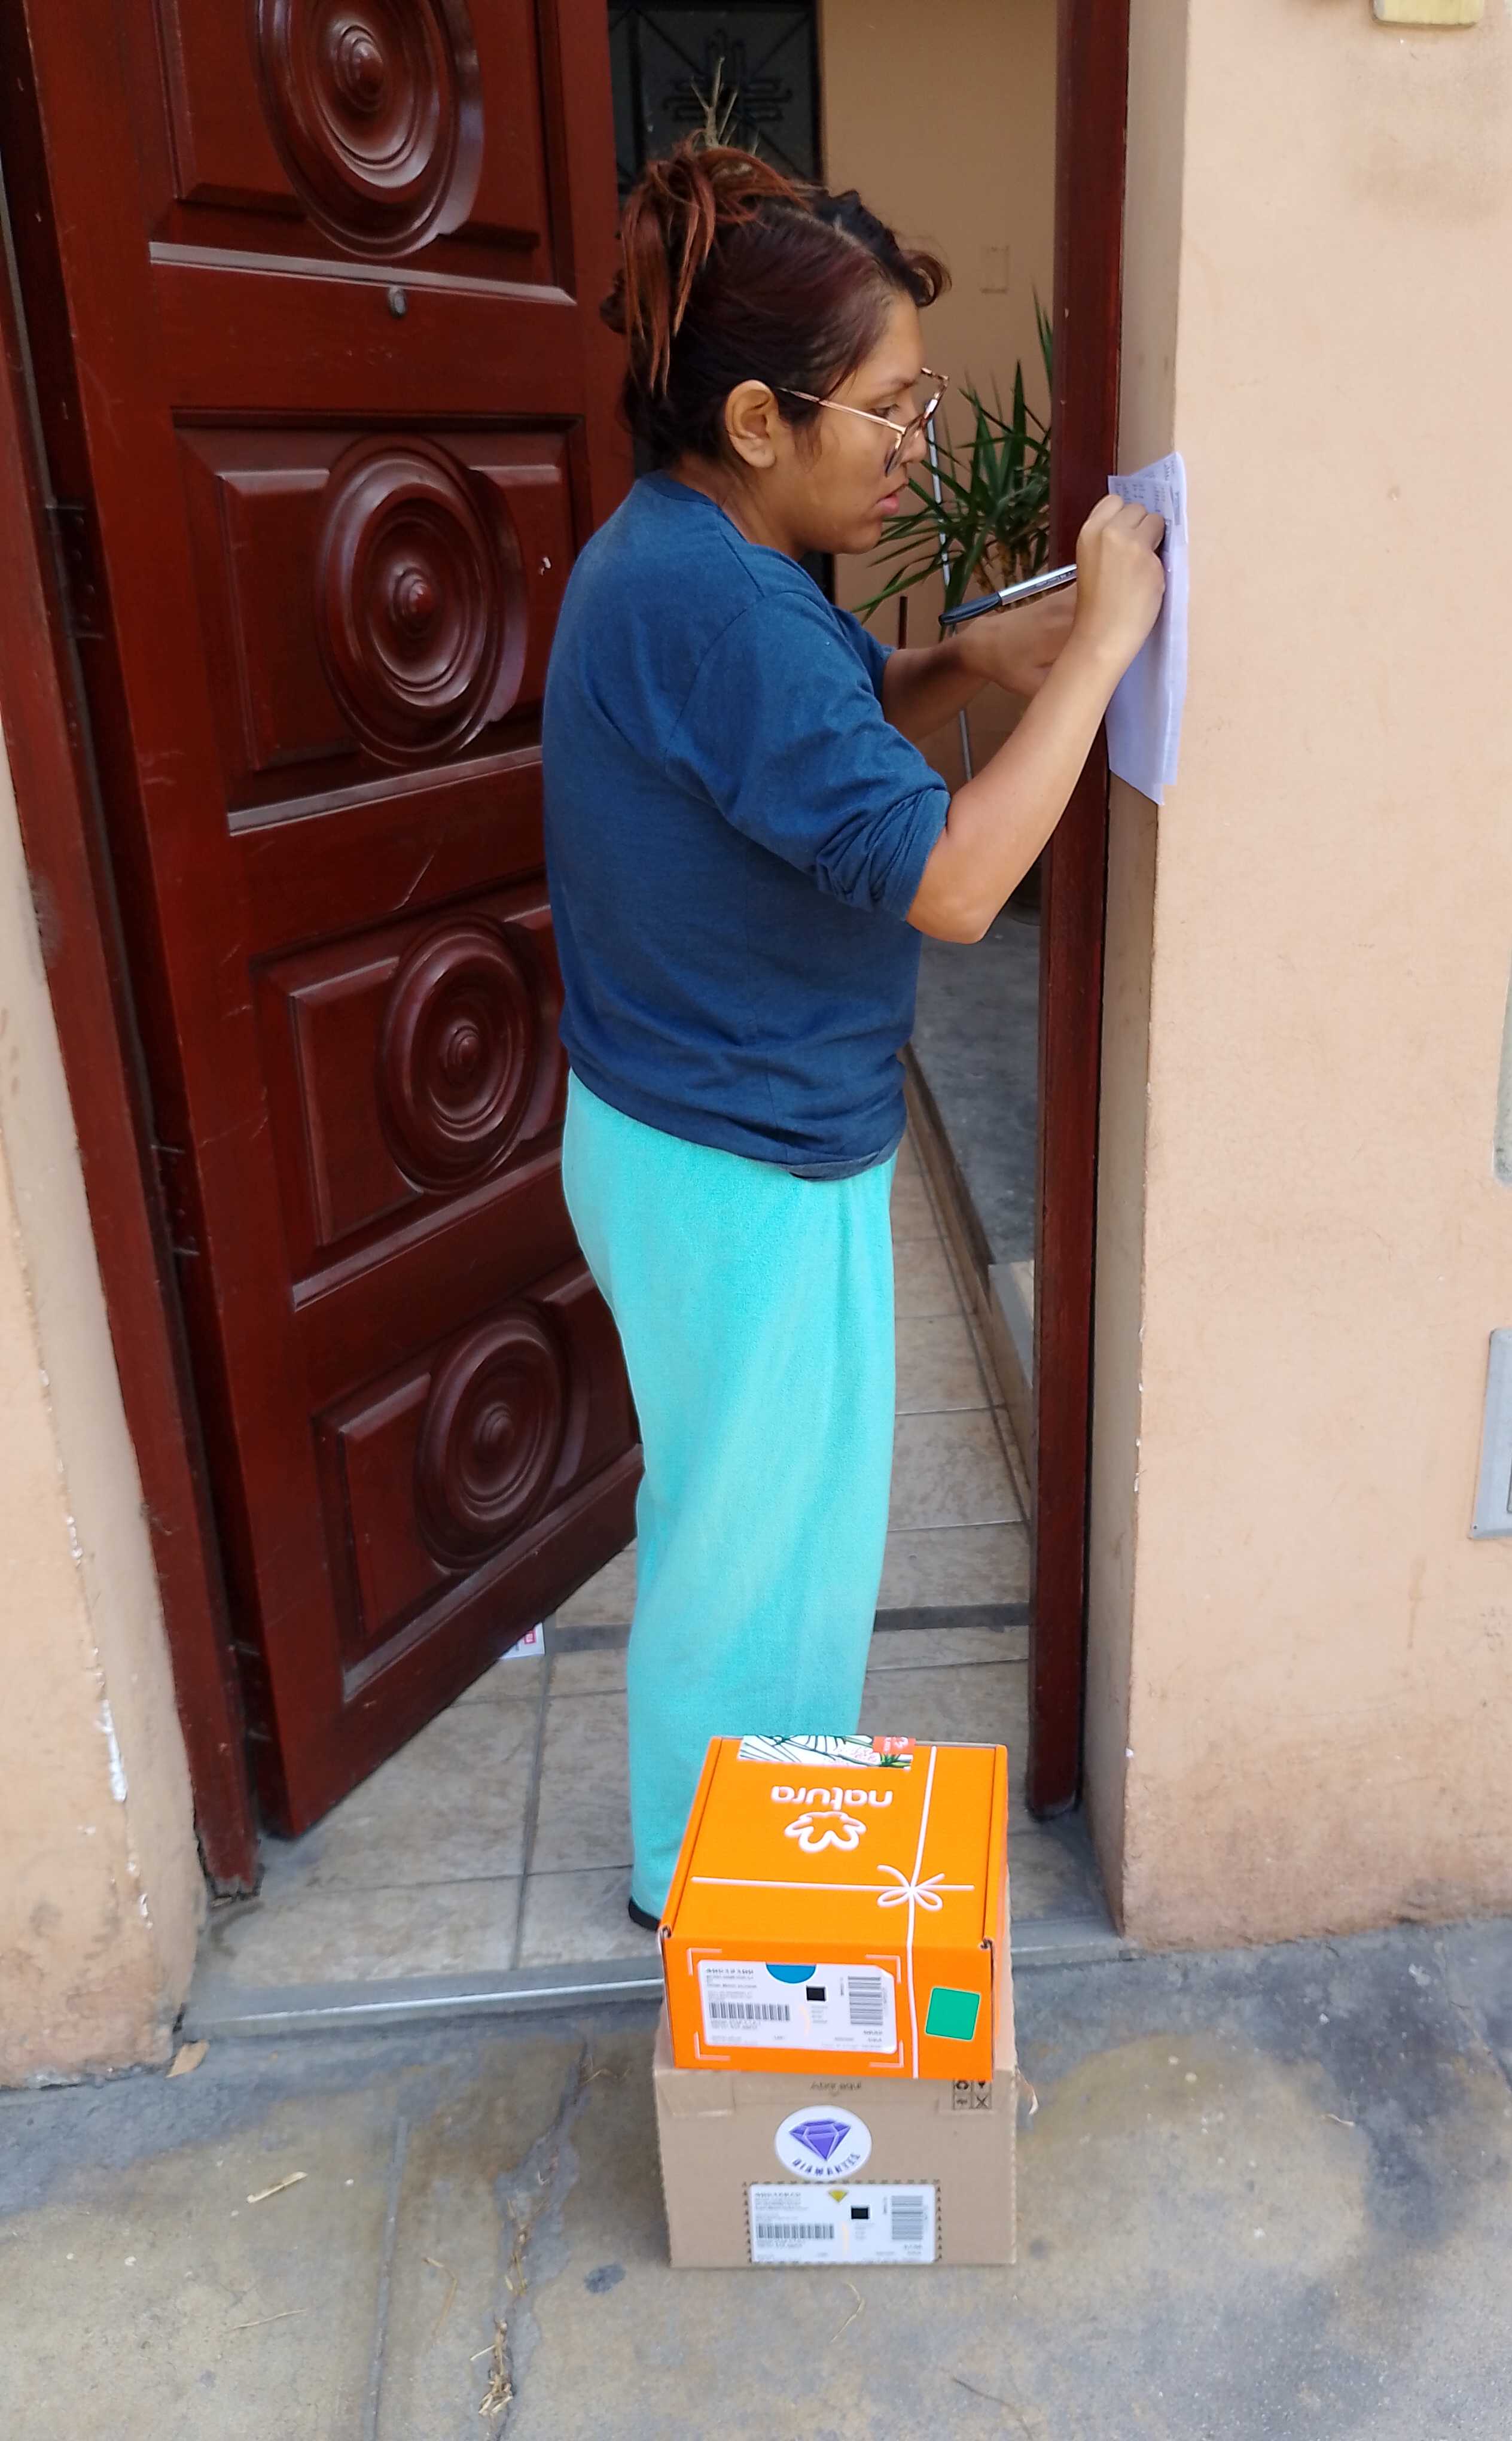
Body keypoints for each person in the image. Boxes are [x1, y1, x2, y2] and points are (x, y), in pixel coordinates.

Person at [543, 139, 1164, 1927]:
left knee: (751, 1521)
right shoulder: (722, 605)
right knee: (763, 1551)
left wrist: (968, 664)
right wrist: (1100, 652)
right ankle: (714, 1897)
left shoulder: (692, 555)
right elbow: (955, 886)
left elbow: (803, 745)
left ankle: (740, 1853)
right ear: (758, 420)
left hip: (689, 1135)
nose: (916, 446)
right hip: (734, 1162)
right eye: (889, 411)